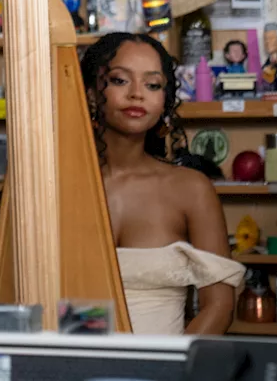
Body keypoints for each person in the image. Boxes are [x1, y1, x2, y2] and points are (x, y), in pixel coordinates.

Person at [80, 33, 243, 335]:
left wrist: (168, 371)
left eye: (152, 84)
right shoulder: (56, 185)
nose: (137, 94)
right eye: (119, 80)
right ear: (90, 93)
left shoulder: (191, 189)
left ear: (164, 101)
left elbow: (219, 306)